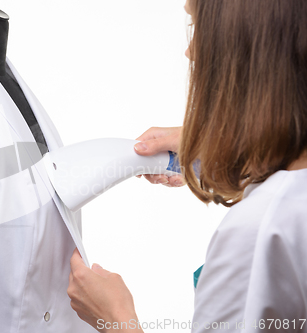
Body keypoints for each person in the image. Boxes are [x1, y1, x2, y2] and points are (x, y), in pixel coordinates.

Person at [67, 0, 307, 332]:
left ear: (242, 47)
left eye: (197, 28)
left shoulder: (258, 231)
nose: (191, 52)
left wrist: (116, 319)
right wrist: (232, 148)